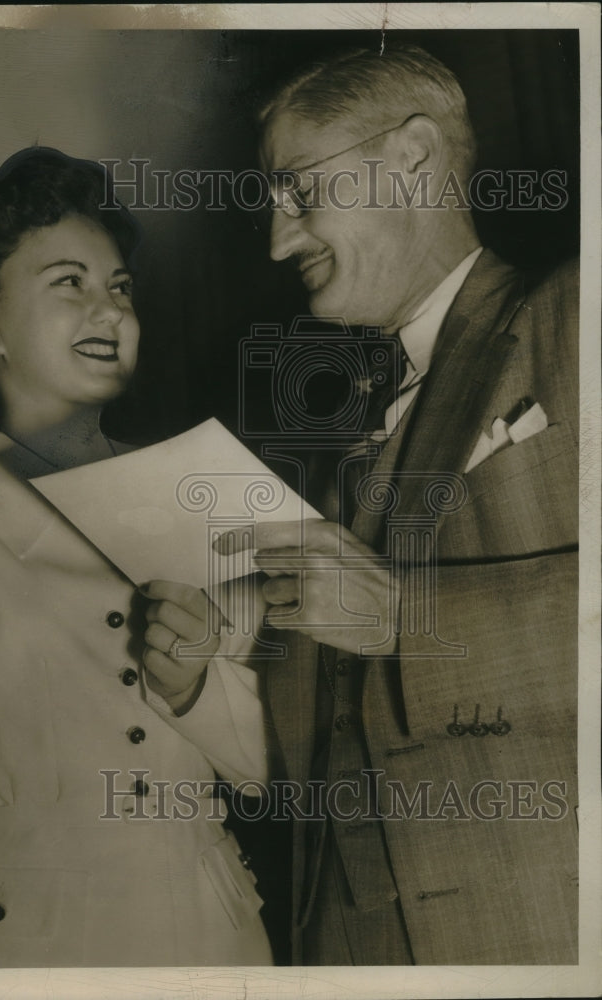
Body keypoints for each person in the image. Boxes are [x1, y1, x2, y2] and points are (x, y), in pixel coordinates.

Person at [0, 148, 272, 968]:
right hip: (12, 950)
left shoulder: (213, 494)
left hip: (215, 945)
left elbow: (284, 763)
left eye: (119, 288)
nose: (108, 311)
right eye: (68, 283)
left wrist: (195, 689)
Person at [200, 42, 578, 965]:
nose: (280, 238)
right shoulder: (341, 443)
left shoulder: (576, 313)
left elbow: (393, 625)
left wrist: (404, 614)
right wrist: (215, 660)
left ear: (410, 159)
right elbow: (337, 717)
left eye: (297, 192)